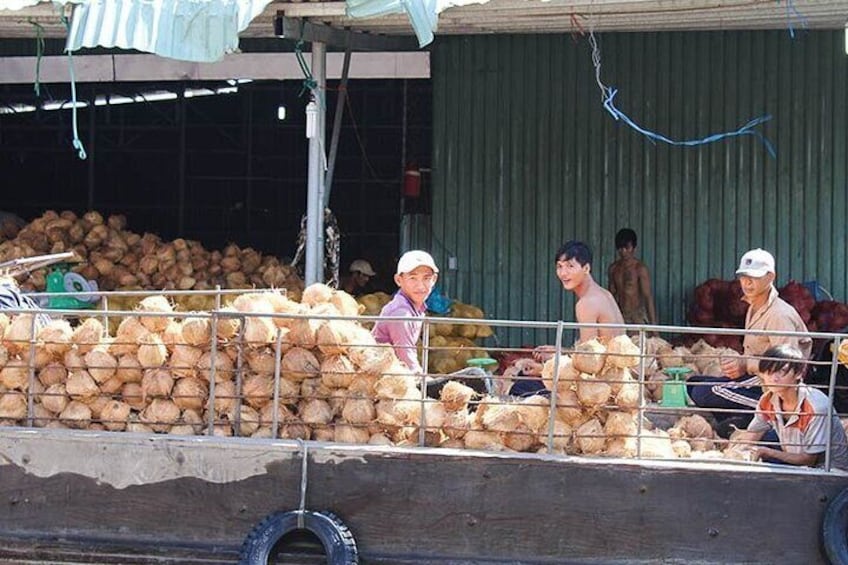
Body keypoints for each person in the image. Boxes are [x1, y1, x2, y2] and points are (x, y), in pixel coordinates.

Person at [687, 248, 812, 435]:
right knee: (693, 383)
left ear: (770, 277)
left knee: (704, 392)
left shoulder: (779, 315)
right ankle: (744, 420)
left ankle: (770, 414)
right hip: (756, 379)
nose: (747, 282)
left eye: (754, 277)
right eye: (743, 277)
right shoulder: (754, 306)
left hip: (774, 389)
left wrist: (746, 364)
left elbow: (785, 367)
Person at [372, 250, 489, 395]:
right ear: (399, 280)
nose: (420, 286)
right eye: (413, 278)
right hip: (391, 384)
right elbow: (406, 360)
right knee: (476, 377)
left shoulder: (414, 308)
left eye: (426, 278)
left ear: (434, 280)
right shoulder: (402, 313)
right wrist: (426, 379)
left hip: (399, 378)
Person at [732, 344, 848, 470]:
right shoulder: (767, 400)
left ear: (798, 374)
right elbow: (752, 436)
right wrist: (733, 454)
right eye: (768, 372)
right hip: (795, 460)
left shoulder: (816, 406)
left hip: (827, 470)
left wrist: (766, 451)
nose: (774, 378)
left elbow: (808, 459)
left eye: (782, 371)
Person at [608, 228, 658, 329]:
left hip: (637, 316)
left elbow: (648, 298)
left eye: (627, 248)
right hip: (620, 315)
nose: (623, 251)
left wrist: (654, 328)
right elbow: (611, 296)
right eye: (620, 248)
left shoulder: (640, 269)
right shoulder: (614, 269)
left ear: (634, 248)